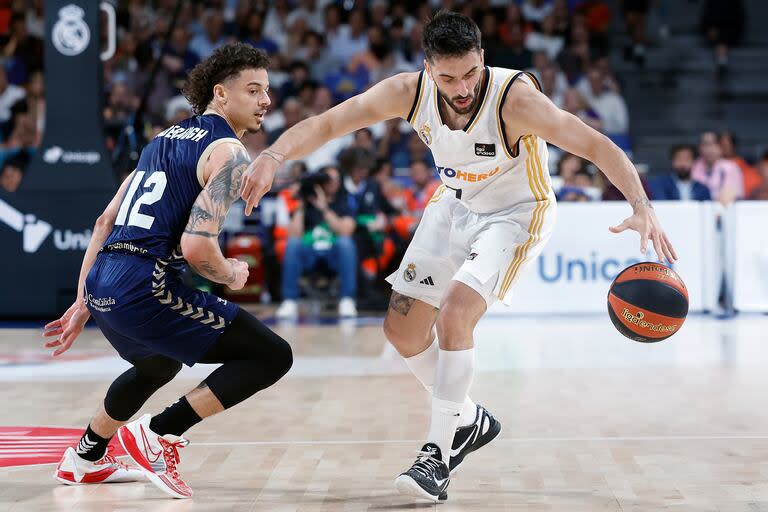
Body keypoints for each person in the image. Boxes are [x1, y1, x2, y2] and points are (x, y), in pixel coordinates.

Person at [238, 11, 676, 502]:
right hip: (453, 202)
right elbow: (330, 122)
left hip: (516, 213)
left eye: (470, 73)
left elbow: (596, 145)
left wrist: (642, 206)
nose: (462, 86)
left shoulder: (516, 101)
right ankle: (466, 418)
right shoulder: (408, 92)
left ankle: (437, 455)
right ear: (429, 68)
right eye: (448, 77)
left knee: (455, 313)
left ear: (482, 59)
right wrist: (273, 155)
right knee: (401, 331)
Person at [43, 43, 292, 499]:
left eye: (267, 91)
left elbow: (103, 222)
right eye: (254, 90)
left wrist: (83, 301)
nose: (265, 101)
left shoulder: (162, 140)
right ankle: (157, 435)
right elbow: (197, 248)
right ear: (220, 93)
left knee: (156, 363)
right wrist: (231, 274)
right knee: (272, 355)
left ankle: (83, 457)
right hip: (144, 284)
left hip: (104, 281)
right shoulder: (230, 154)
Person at [274, 165, 358, 319]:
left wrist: (324, 207)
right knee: (293, 244)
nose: (333, 182)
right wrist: (301, 204)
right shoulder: (307, 200)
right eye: (328, 179)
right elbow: (293, 234)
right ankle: (290, 302)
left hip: (333, 253)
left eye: (336, 179)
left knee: (345, 243)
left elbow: (346, 230)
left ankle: (347, 299)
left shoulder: (345, 200)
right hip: (310, 253)